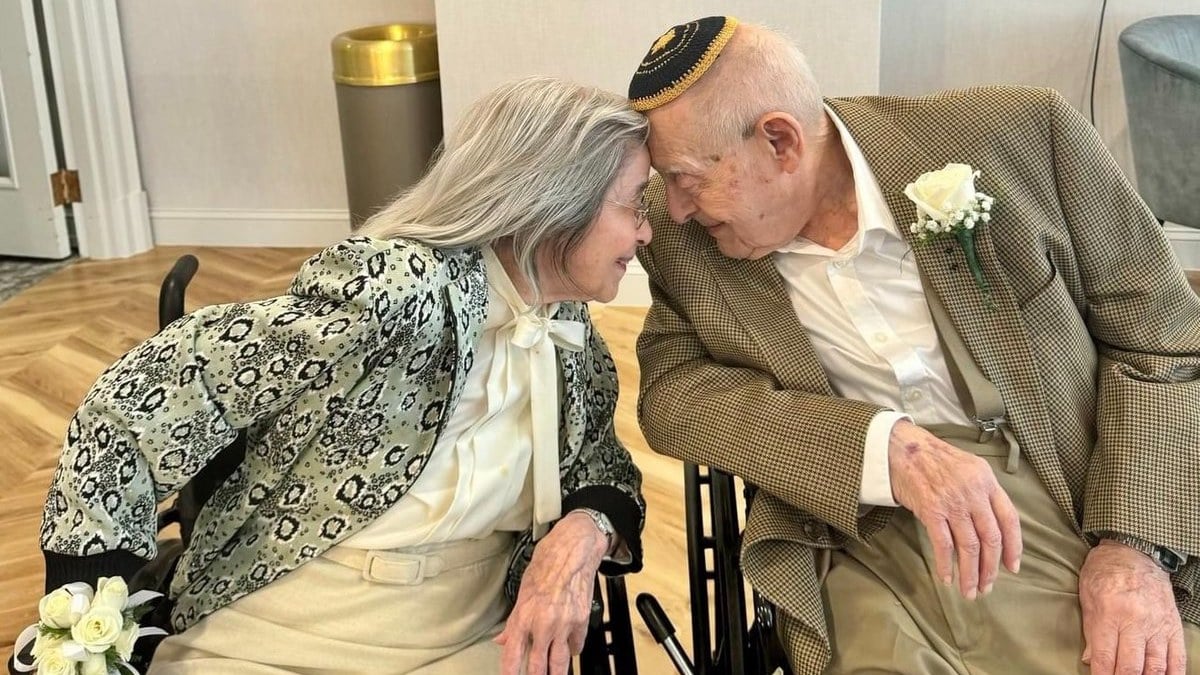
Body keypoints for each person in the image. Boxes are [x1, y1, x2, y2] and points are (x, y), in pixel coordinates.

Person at [629, 15, 1200, 675]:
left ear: (780, 141)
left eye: (688, 178)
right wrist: (881, 448)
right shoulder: (681, 237)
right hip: (862, 537)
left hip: (1073, 494)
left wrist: (1132, 550)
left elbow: (1164, 341)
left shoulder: (1021, 135)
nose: (675, 208)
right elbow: (672, 395)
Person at [34, 76, 651, 675]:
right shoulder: (397, 289)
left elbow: (600, 465)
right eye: (634, 205)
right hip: (285, 631)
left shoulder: (563, 322)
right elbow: (134, 406)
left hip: (474, 637)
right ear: (556, 199)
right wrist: (84, 619)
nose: (647, 232)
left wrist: (584, 532)